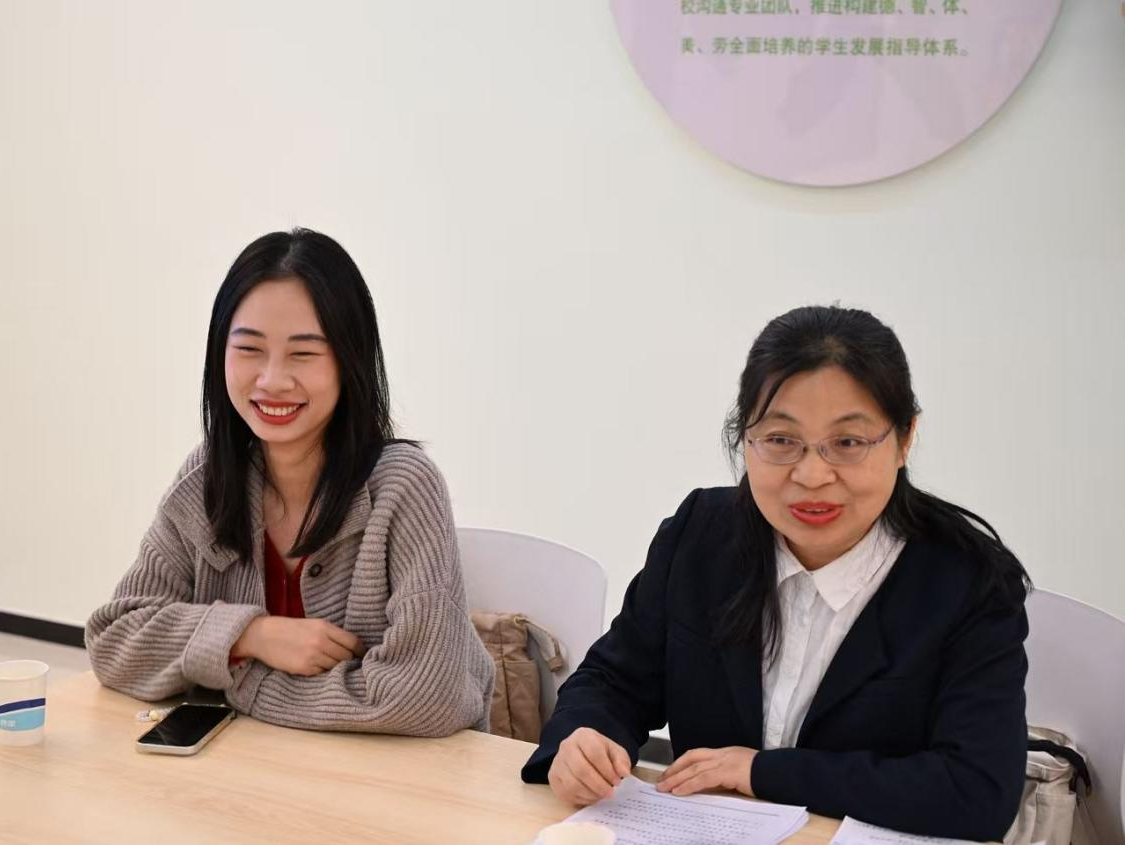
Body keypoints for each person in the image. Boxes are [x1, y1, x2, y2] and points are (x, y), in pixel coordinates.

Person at [522, 305, 1030, 841]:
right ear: (745, 439)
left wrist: (761, 772)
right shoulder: (701, 533)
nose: (812, 475)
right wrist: (583, 737)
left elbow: (977, 791)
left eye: (848, 443)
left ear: (904, 440)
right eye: (781, 441)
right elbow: (614, 680)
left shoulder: (970, 581)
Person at [87, 228, 494, 736]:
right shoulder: (208, 478)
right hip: (259, 771)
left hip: (398, 777)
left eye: (303, 354)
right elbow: (115, 640)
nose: (272, 380)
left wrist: (243, 683)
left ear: (349, 360)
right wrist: (251, 635)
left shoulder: (405, 487)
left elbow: (428, 697)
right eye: (249, 349)